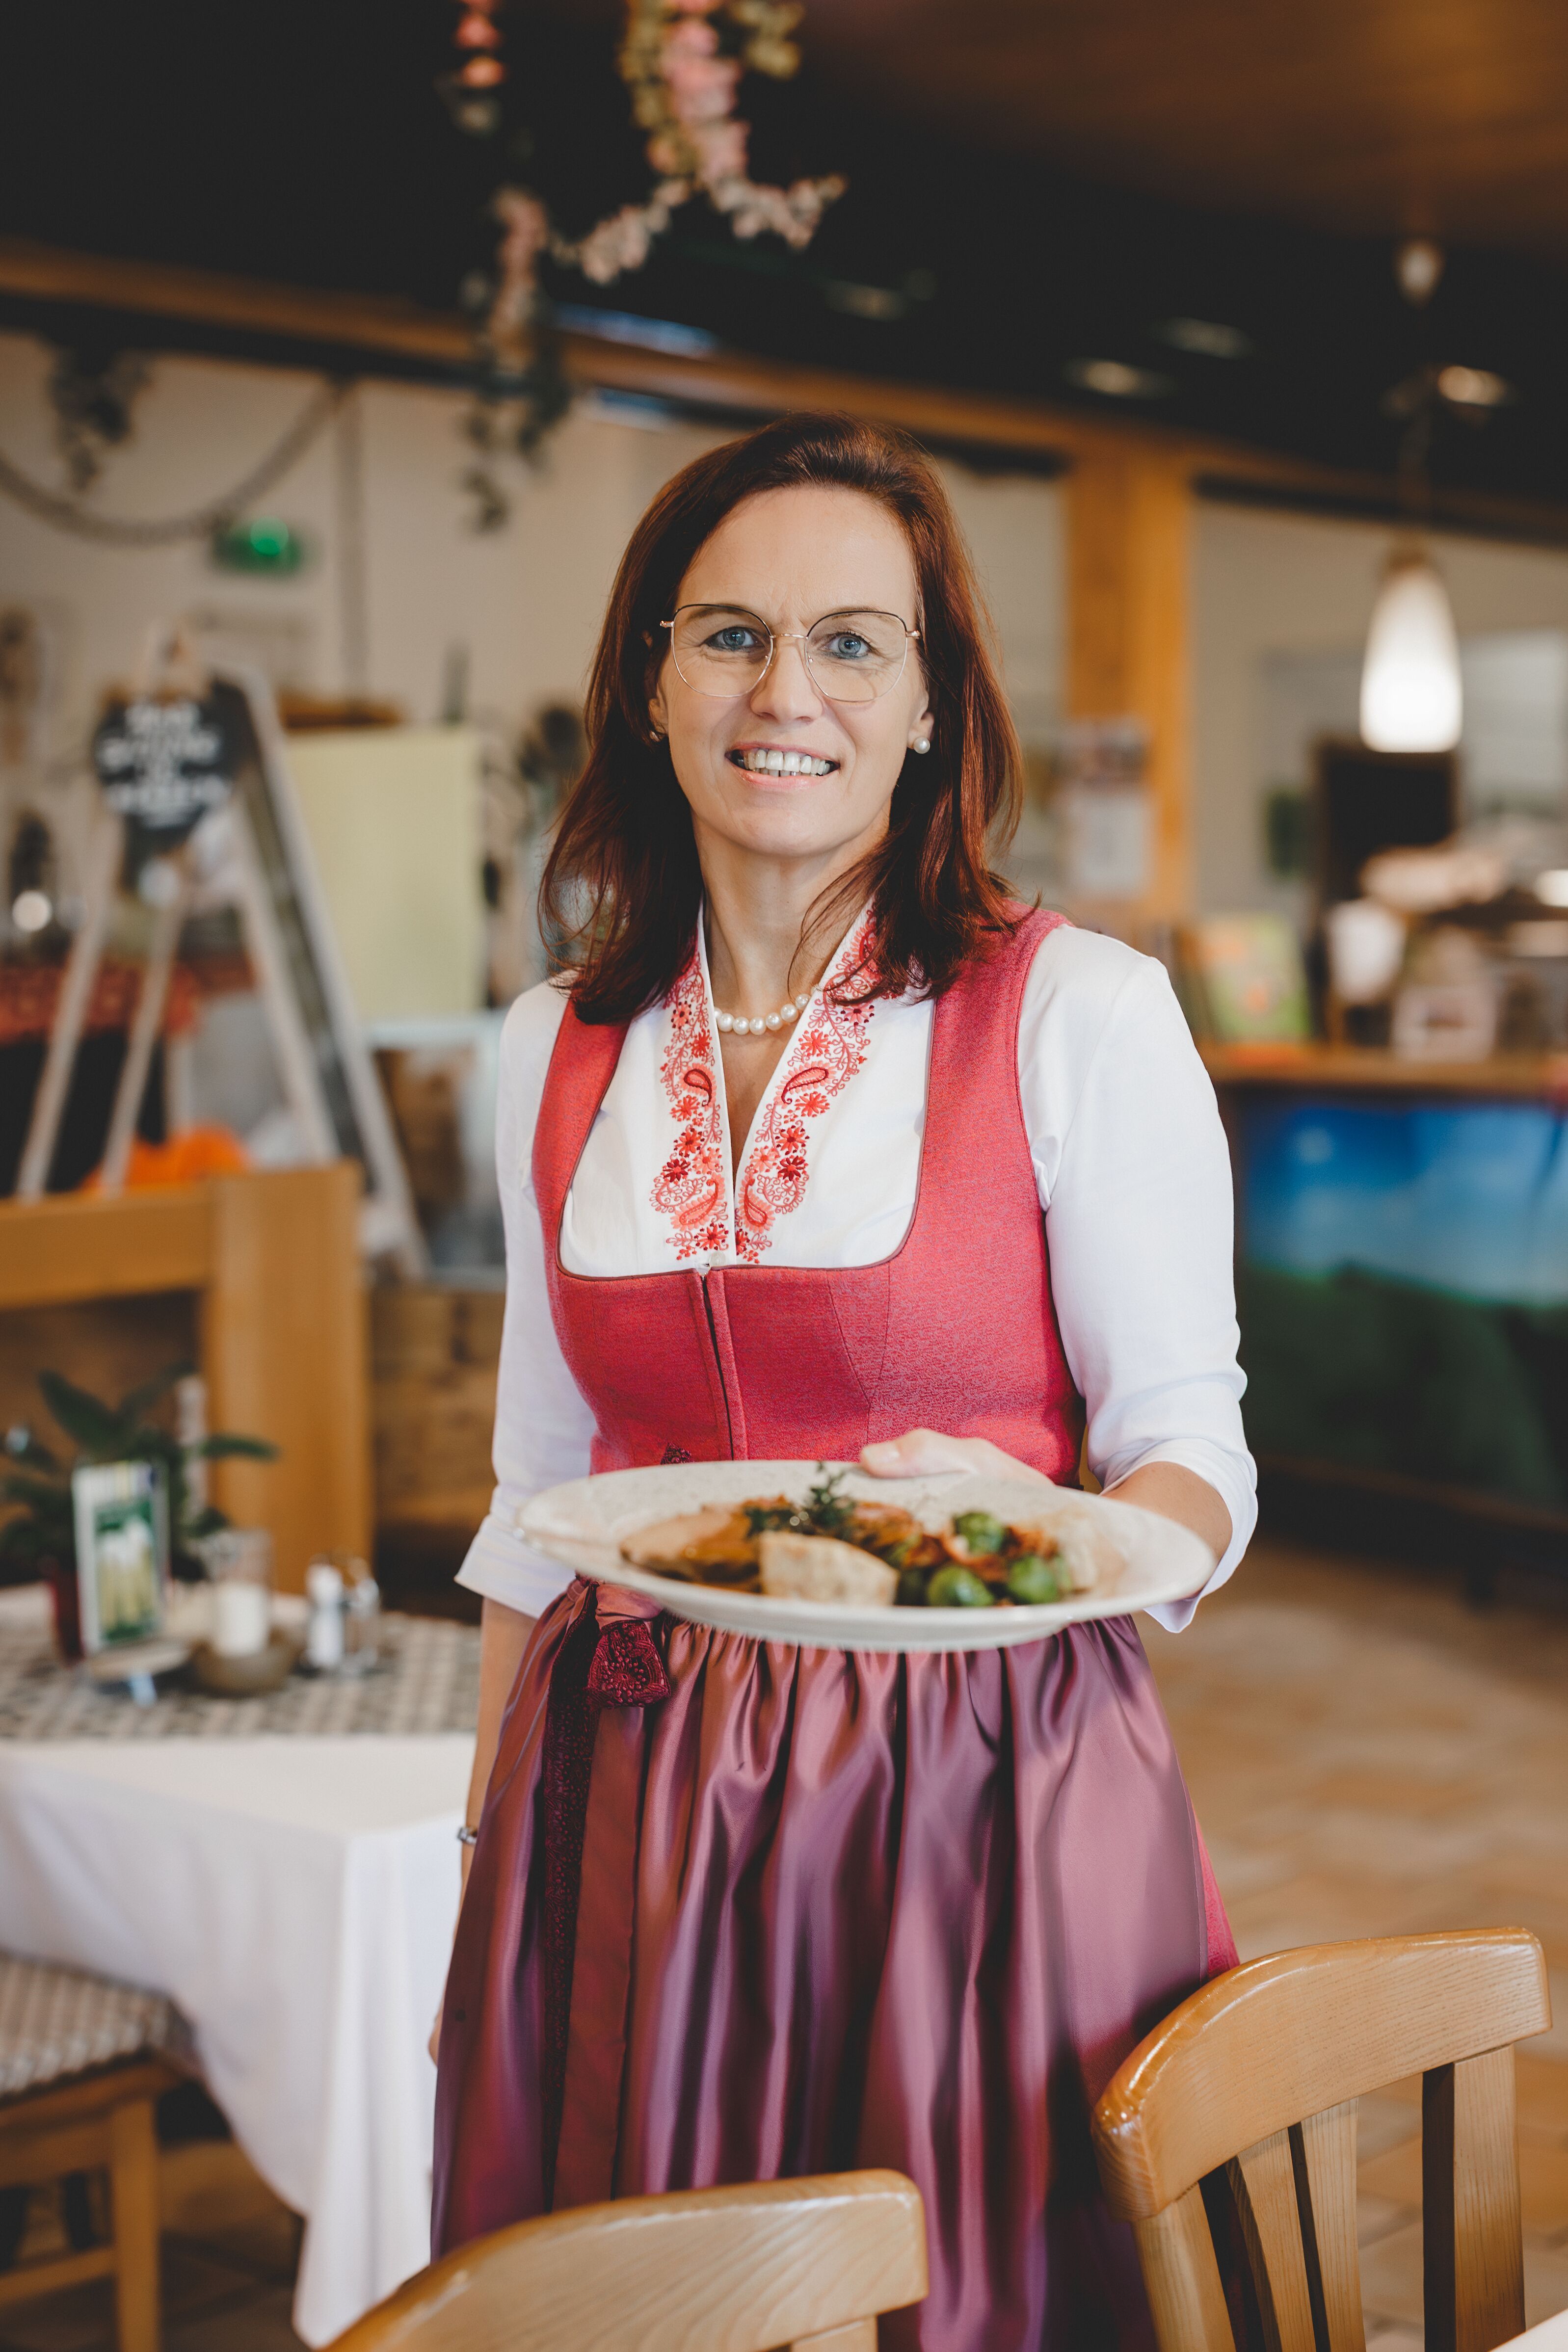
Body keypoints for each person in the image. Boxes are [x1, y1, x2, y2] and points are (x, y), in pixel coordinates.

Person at [432, 413, 1255, 2350]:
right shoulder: (547, 1044)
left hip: (975, 1794)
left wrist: (1027, 1561)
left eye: (849, 642)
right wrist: (493, 1855)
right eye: (724, 633)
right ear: (646, 683)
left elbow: (1184, 1453)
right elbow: (536, 1487)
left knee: (970, 2292)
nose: (780, 689)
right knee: (649, 2282)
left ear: (929, 703)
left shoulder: (1077, 1014)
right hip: (621, 1792)